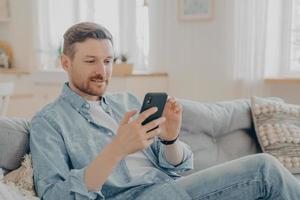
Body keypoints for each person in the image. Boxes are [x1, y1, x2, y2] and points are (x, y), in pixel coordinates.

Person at [30, 22, 300, 200]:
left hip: (168, 188)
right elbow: (55, 195)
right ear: (65, 62)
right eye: (90, 61)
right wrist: (116, 149)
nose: (102, 71)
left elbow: (175, 167)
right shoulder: (48, 122)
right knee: (263, 169)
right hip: (135, 196)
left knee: (265, 174)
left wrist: (170, 139)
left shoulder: (125, 102)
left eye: (108, 61)